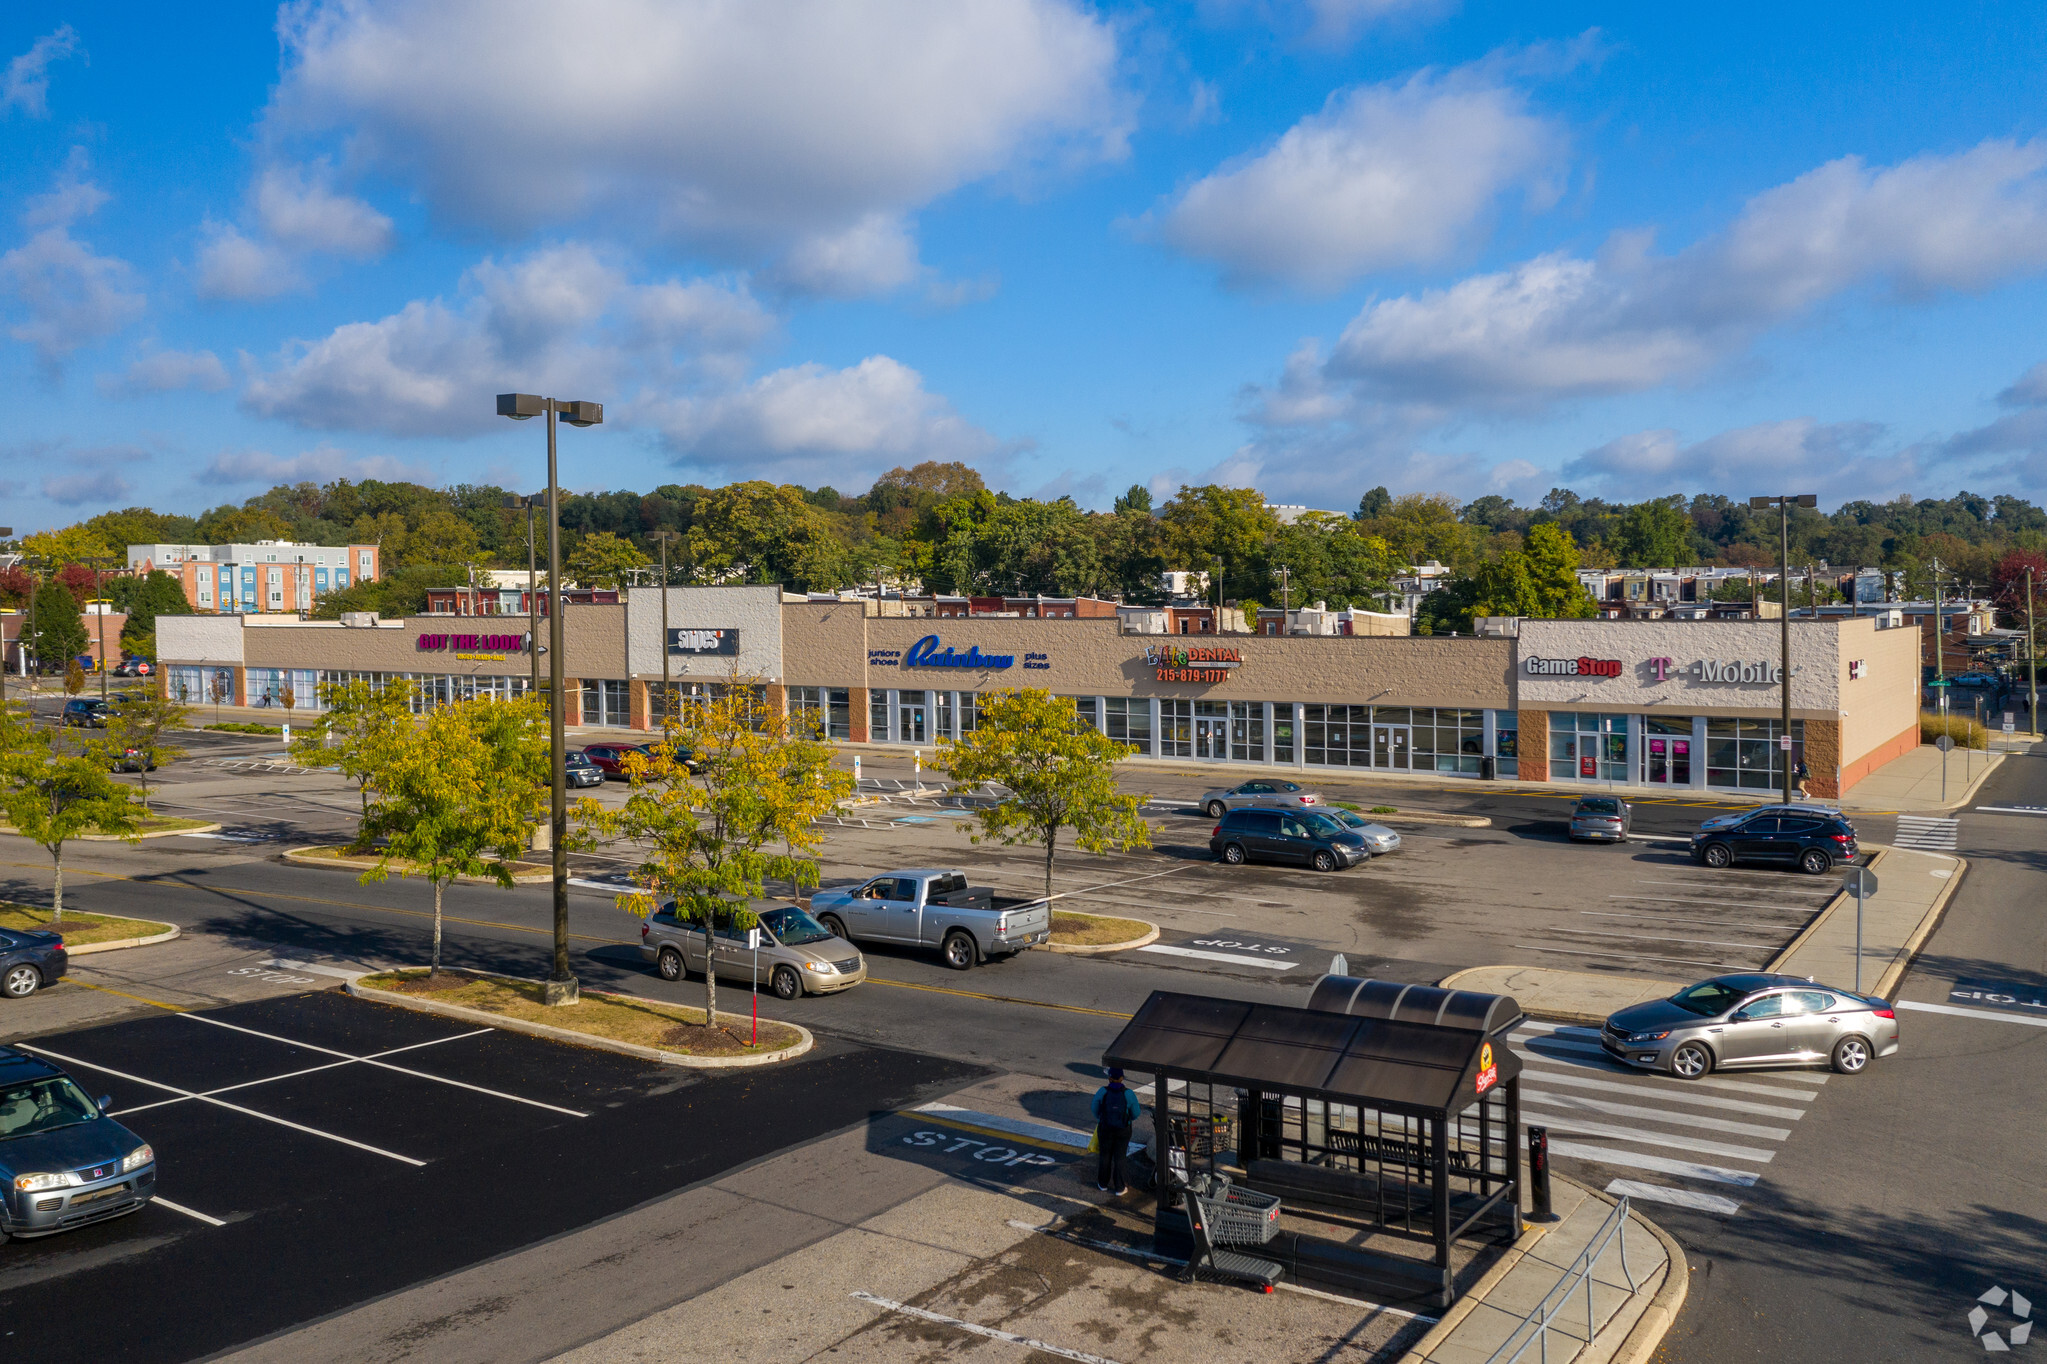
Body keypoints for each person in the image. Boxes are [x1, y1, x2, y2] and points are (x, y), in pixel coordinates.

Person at [1091, 1067, 1141, 1195]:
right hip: (1123, 1129)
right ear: (1122, 1078)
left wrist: (1102, 1118)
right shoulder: (1128, 1094)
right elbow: (1136, 1113)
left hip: (1105, 1128)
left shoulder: (1102, 1091)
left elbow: (1094, 1109)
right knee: (1120, 1157)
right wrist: (1127, 1119)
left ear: (1109, 1078)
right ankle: (1119, 1187)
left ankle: (1102, 1184)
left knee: (1105, 1155)